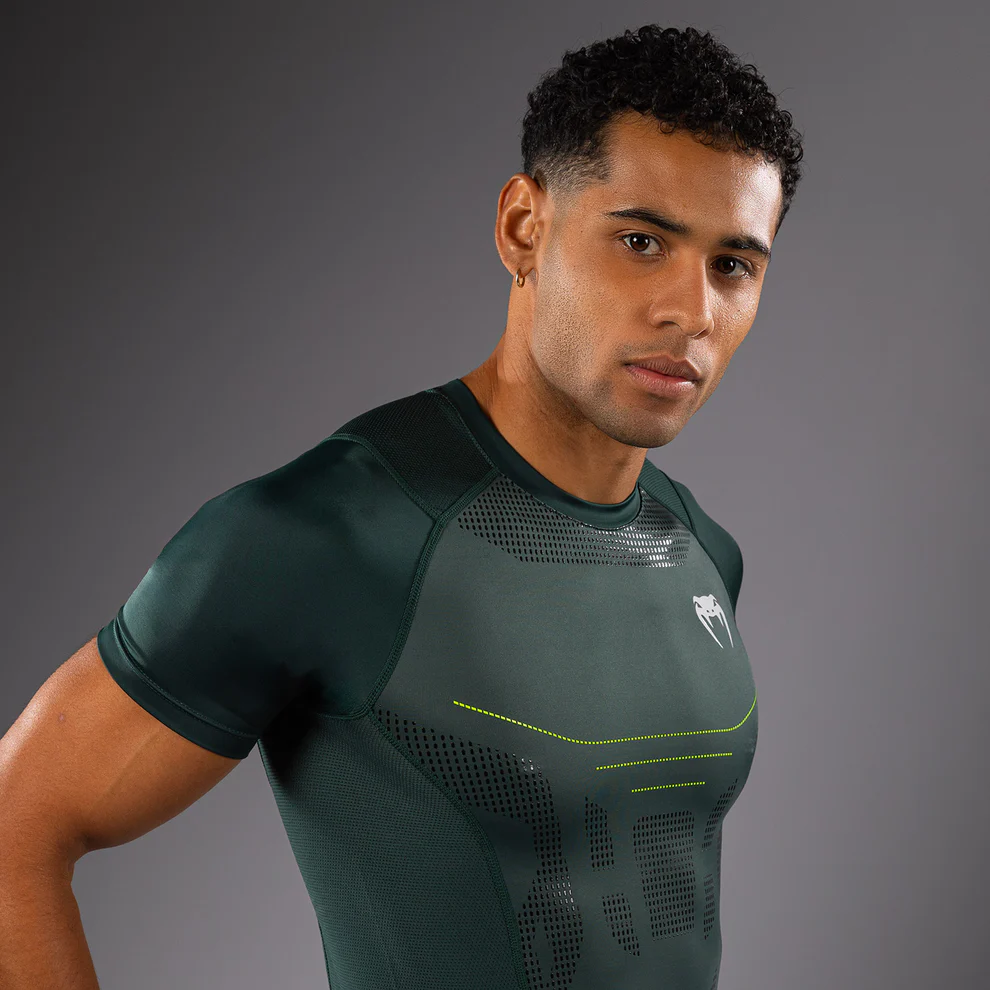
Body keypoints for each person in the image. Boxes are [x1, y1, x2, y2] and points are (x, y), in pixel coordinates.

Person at [0, 22, 803, 990]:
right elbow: (16, 823)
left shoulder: (700, 550)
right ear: (524, 228)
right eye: (642, 242)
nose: (693, 311)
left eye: (733, 265)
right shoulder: (333, 534)